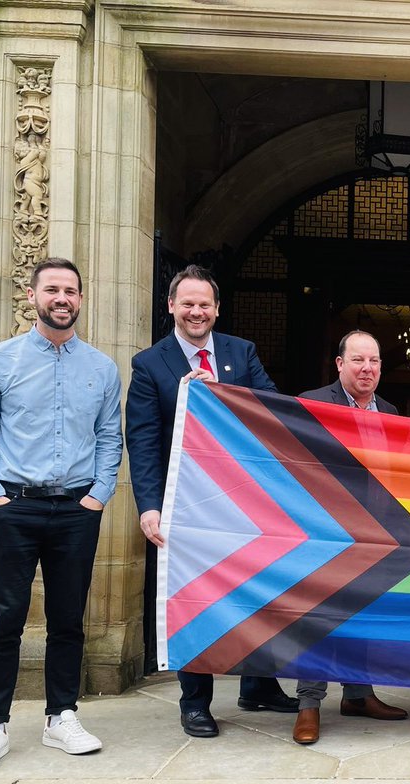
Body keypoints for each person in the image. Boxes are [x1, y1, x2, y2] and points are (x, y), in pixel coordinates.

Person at [0, 257, 122, 770]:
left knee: (68, 619)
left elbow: (107, 438)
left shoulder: (102, 368)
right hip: (14, 507)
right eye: (52, 289)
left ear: (80, 299)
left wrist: (98, 494)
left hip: (76, 510)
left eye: (71, 290)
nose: (62, 298)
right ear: (32, 296)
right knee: (4, 618)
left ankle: (62, 716)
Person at [125, 264, 297, 738]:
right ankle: (195, 701)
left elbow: (271, 412)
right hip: (186, 506)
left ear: (217, 309)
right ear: (171, 307)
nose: (196, 312)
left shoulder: (241, 353)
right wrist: (149, 505)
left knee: (259, 590)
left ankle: (258, 685)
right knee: (195, 599)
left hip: (244, 502)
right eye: (188, 304)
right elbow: (140, 441)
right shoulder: (149, 364)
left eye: (204, 304)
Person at [292, 330, 409, 744]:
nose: (367, 369)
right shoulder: (314, 402)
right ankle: (309, 704)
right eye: (358, 360)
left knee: (363, 615)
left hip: (373, 534)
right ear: (339, 364)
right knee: (318, 616)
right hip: (325, 532)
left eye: (374, 361)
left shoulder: (392, 411)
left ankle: (359, 695)